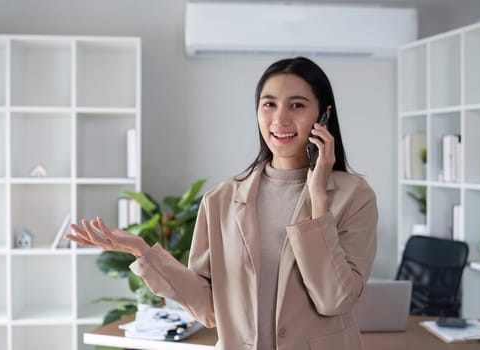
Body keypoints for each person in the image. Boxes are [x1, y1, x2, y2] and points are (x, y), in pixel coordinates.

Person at [66, 56, 378, 350]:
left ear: (324, 115)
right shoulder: (221, 200)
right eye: (269, 104)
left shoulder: (354, 196)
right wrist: (142, 252)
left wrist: (319, 198)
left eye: (297, 105)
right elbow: (210, 308)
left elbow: (335, 300)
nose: (280, 118)